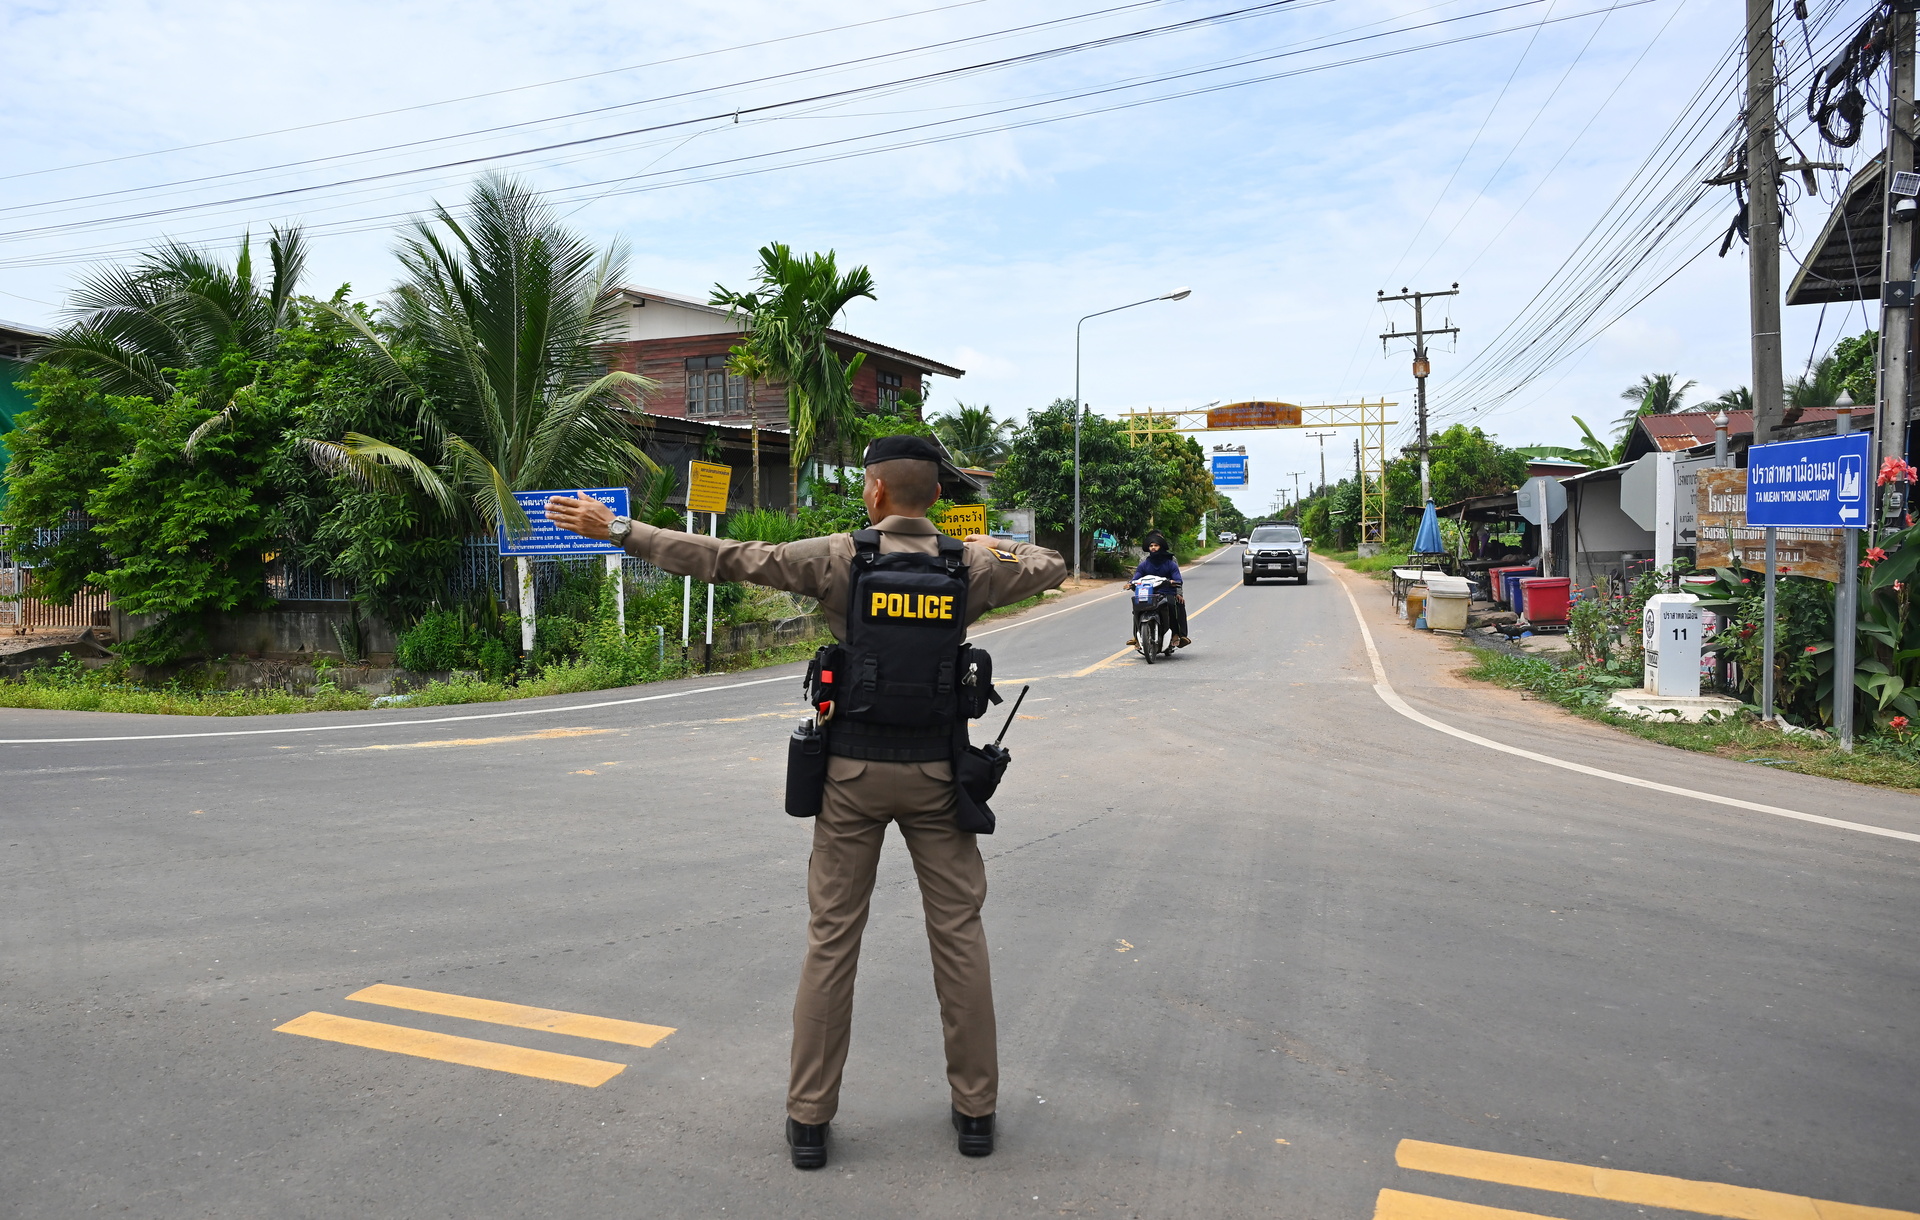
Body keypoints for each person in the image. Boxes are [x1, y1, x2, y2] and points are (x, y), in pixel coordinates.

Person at [543, 435, 1065, 1170]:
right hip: (940, 777)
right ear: (932, 496)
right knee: (959, 937)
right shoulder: (967, 564)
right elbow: (1050, 564)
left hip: (850, 776)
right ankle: (975, 1113)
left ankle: (810, 1121)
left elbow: (725, 559)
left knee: (831, 942)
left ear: (877, 493)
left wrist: (622, 529)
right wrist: (987, 543)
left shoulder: (834, 557)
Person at [1125, 530, 1188, 648]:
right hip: (1148, 592)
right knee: (1137, 607)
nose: (1153, 547)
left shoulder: (1171, 561)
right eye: (1151, 545)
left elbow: (1177, 577)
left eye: (1156, 544)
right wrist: (1131, 584)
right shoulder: (1144, 561)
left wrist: (1178, 592)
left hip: (1167, 590)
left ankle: (1177, 634)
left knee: (1173, 605)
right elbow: (1138, 575)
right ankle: (1138, 636)